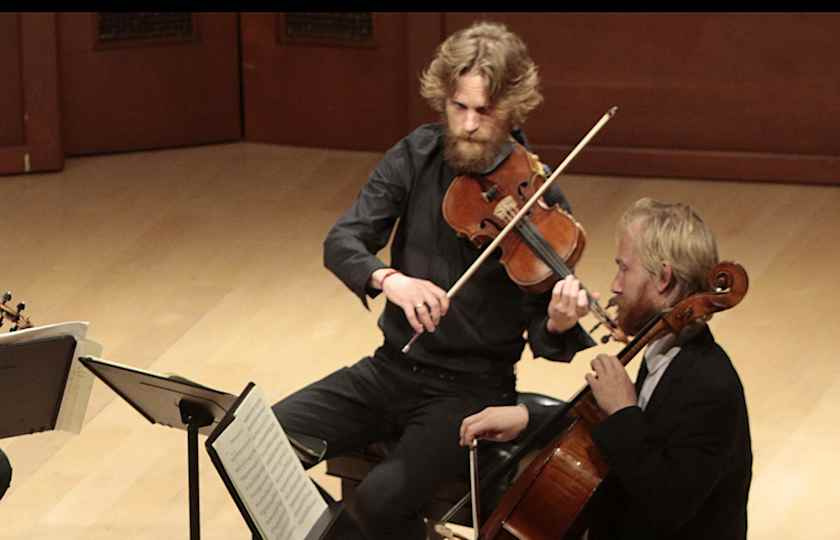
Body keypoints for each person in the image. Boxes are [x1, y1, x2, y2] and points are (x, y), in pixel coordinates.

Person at [271, 21, 596, 540]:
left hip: (469, 393)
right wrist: (389, 279)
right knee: (262, 443)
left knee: (378, 501)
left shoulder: (540, 199)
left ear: (513, 109)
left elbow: (546, 334)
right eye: (457, 106)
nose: (467, 125)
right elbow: (343, 241)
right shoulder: (418, 153)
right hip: (390, 368)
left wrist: (558, 322)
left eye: (484, 111)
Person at [460, 198, 753, 540]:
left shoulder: (709, 384)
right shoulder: (664, 352)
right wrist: (529, 418)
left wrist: (623, 411)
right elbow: (623, 434)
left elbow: (669, 504)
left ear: (663, 278)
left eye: (624, 269)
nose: (615, 285)